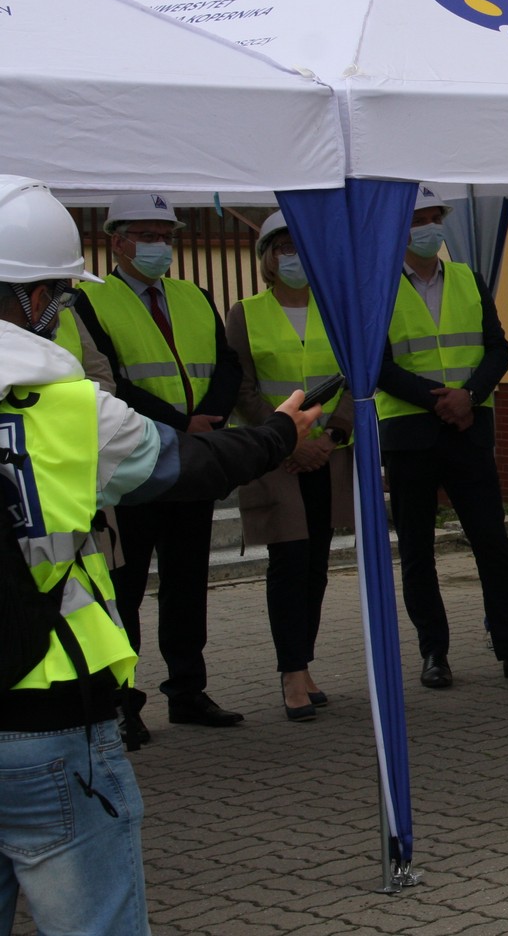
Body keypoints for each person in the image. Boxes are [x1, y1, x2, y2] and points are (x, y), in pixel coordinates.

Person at [0, 176, 321, 936]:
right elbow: (188, 465)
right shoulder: (66, 410)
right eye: (58, 297)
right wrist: (280, 433)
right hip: (48, 707)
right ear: (37, 297)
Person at [74, 192, 246, 736]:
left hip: (191, 460)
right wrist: (179, 423)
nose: (159, 246)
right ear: (116, 242)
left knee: (187, 582)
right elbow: (110, 381)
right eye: (147, 236)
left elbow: (226, 364)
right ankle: (122, 701)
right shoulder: (87, 301)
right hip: (133, 462)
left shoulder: (193, 295)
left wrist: (210, 418)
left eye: (165, 236)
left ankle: (187, 691)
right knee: (124, 588)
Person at [377, 185, 508, 689]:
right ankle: (434, 652)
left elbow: (499, 350)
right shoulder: (378, 287)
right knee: (417, 551)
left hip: (468, 430)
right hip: (411, 434)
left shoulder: (470, 279)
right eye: (419, 220)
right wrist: (438, 400)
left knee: (493, 543)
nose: (430, 229)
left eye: (435, 218)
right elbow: (375, 365)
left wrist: (468, 396)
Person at [225, 212, 356, 721]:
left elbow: (356, 376)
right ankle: (291, 673)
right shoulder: (246, 313)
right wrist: (286, 440)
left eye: (301, 247)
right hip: (277, 456)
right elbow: (241, 387)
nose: (294, 258)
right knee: (290, 562)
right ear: (267, 258)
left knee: (317, 564)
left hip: (327, 453)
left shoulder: (337, 308)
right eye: (283, 248)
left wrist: (331, 435)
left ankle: (304, 663)